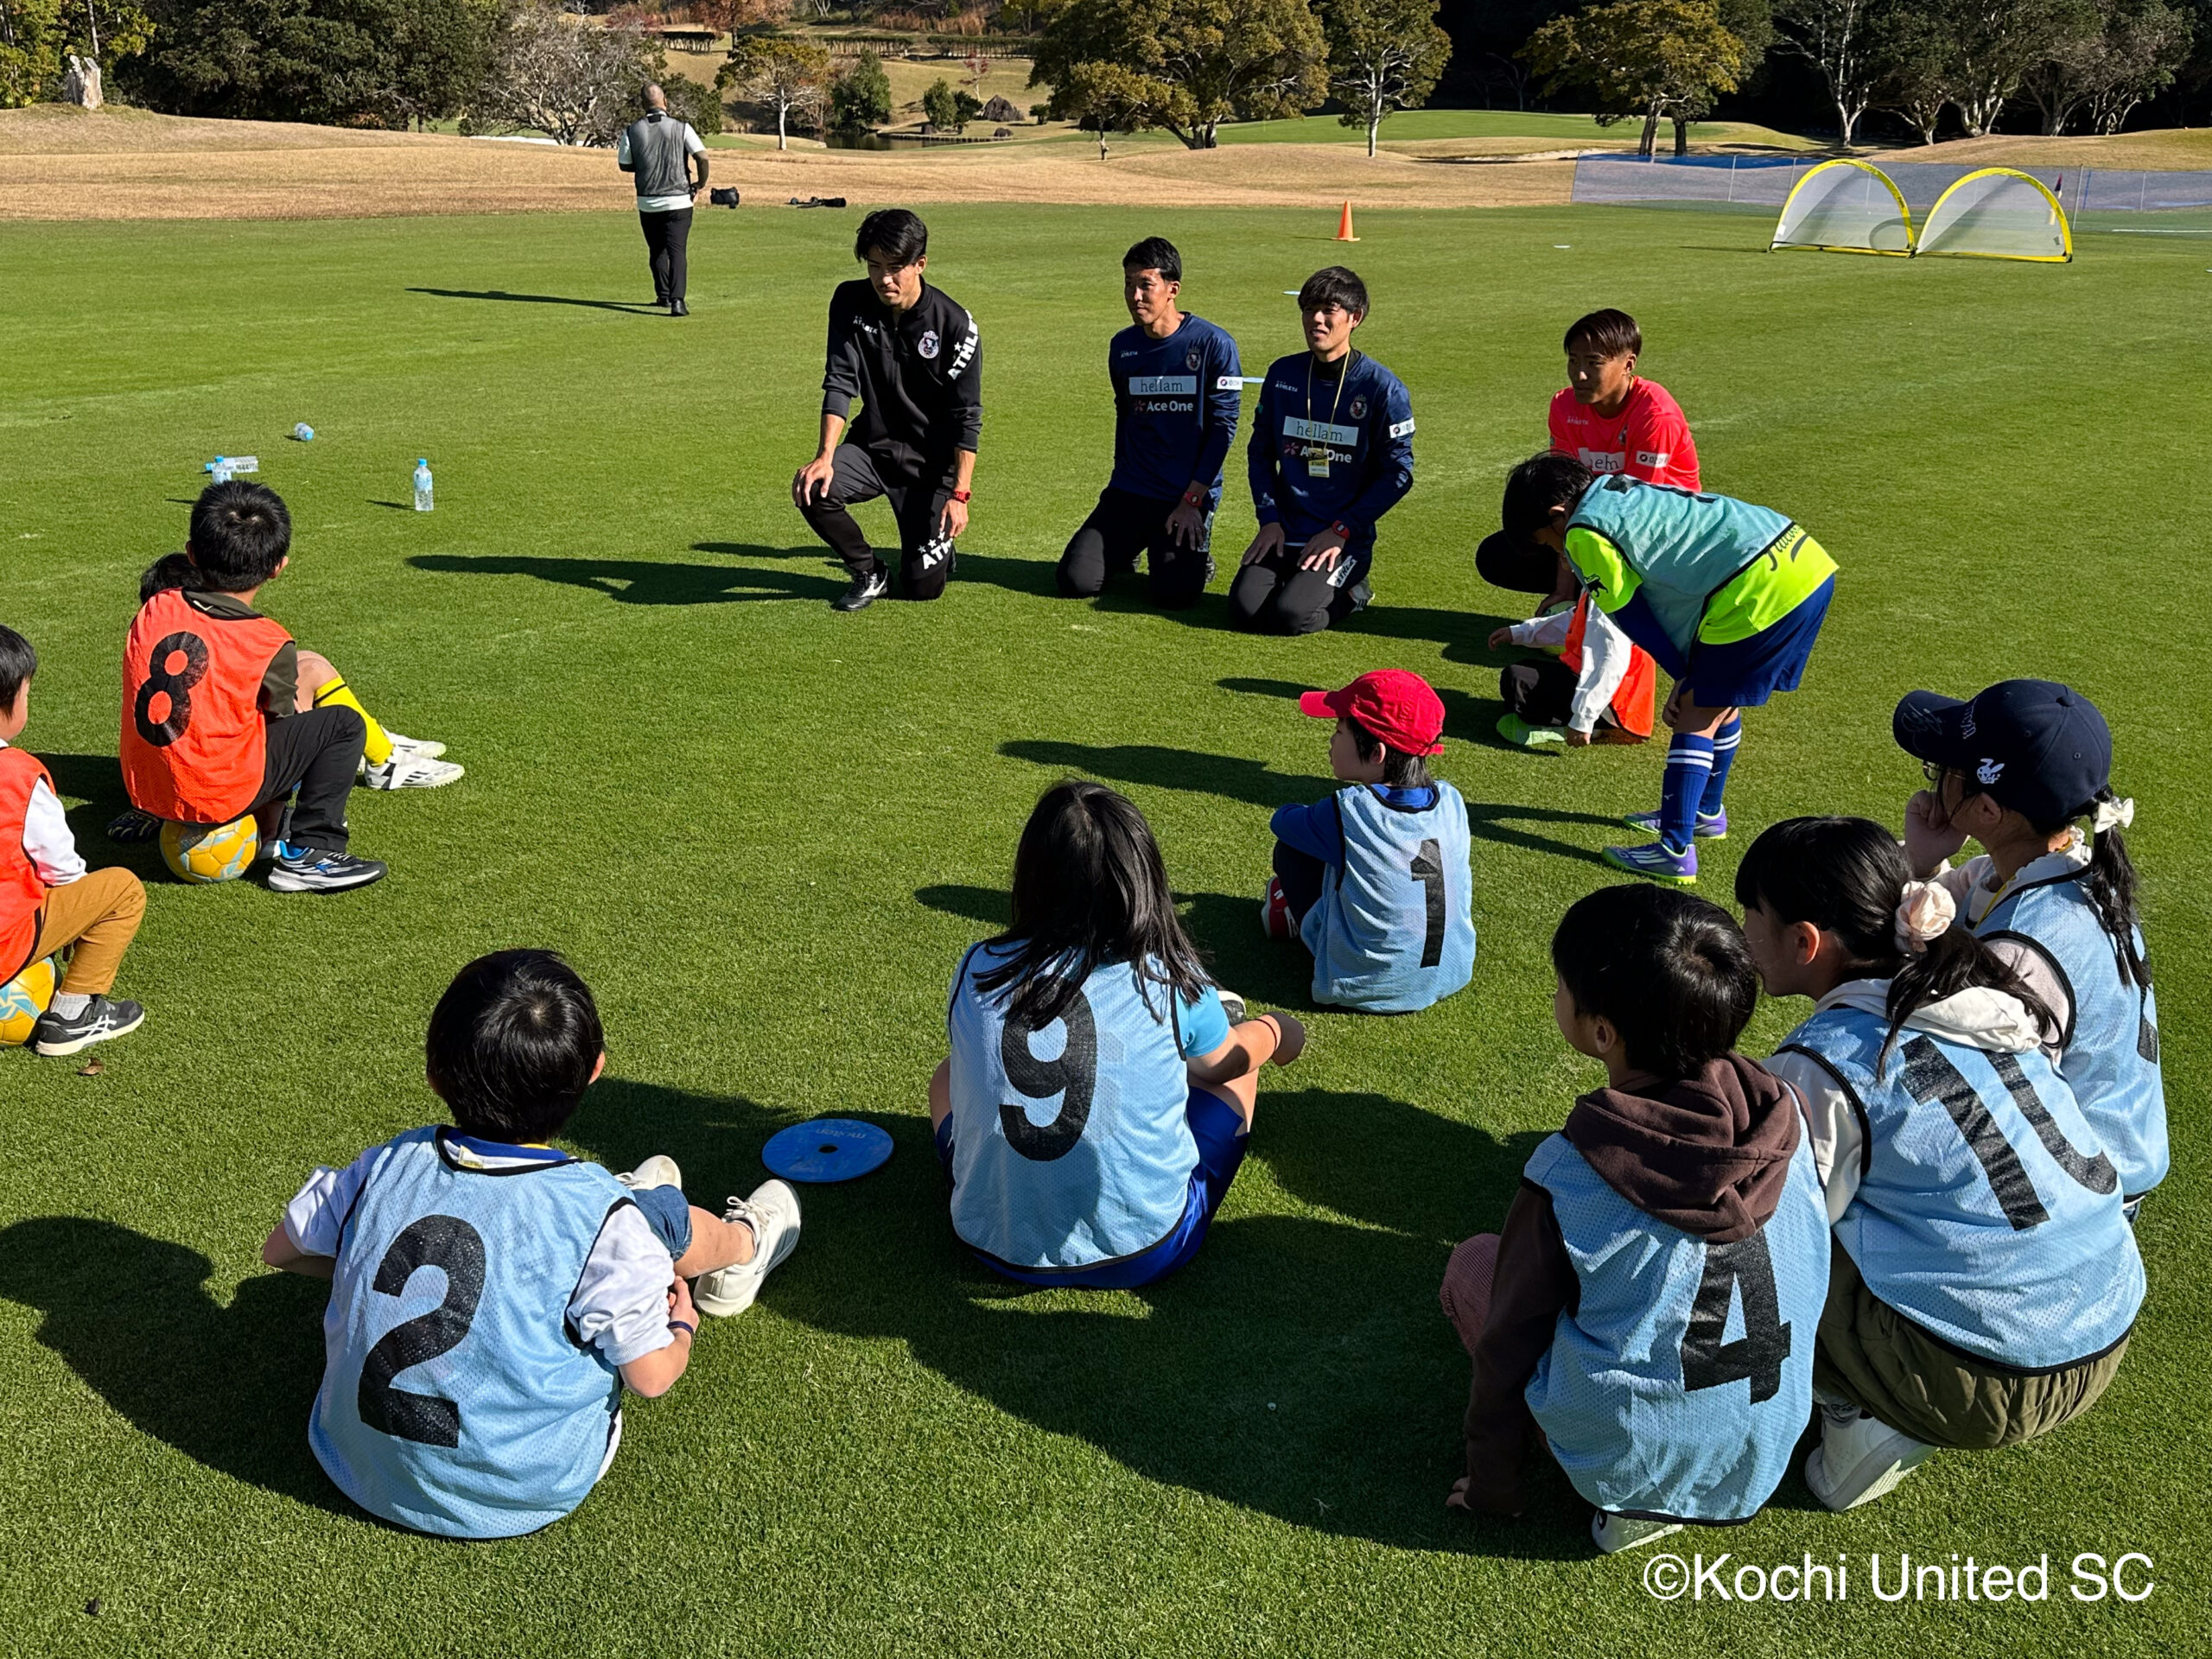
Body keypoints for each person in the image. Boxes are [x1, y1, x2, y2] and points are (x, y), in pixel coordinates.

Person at [262, 949, 802, 1539]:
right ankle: (743, 1249)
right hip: (522, 1493)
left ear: (433, 1074)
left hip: (353, 1463)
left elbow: (282, 1251)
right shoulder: (597, 1216)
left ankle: (651, 1227)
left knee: (611, 1224)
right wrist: (683, 1325)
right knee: (656, 1220)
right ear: (595, 1070)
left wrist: (372, 1267)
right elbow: (651, 1377)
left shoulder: (386, 1164)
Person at [1737, 817, 2143, 1511]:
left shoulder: (1823, 1061)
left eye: (1751, 915)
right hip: (2107, 1324)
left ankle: (1861, 1414)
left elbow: (1779, 1233)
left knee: (1759, 1244)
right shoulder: (1984, 995)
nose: (1742, 933)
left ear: (1805, 942)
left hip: (1989, 1377)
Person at [1442, 884, 1827, 1554]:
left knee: (1473, 1264)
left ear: (1603, 1032)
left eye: (1562, 986)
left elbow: (1509, 1346)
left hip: (1628, 1457)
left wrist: (1491, 1483)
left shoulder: (1570, 1171)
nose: (1555, 994)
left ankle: (1624, 1493)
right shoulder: (1787, 1118)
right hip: (1765, 1449)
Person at [930, 780, 1305, 1289]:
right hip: (1145, 1250)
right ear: (1142, 878)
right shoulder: (1167, 978)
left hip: (990, 1241)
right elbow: (1227, 1063)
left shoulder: (979, 965)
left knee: (946, 1075)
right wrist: (1276, 1031)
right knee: (1237, 1068)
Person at [1891, 681, 2166, 1216]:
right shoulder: (2060, 871)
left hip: (2076, 1192)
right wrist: (1920, 863)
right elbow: (1948, 903)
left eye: (1943, 769)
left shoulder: (2023, 947)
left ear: (1987, 811)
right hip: (2101, 1158)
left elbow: (1967, 1081)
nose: (1936, 778)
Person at [1496, 455, 1837, 885]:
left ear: (1557, 515)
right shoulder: (1615, 488)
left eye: (1545, 540)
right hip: (1803, 561)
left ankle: (1674, 850)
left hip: (1756, 586)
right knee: (1719, 701)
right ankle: (1705, 811)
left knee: (1695, 711)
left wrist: (1682, 674)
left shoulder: (1583, 533)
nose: (1554, 551)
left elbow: (1630, 616)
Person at [119, 484, 461, 893]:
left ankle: (362, 773)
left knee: (295, 680)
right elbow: (278, 726)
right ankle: (311, 852)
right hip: (212, 795)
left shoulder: (155, 608)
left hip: (146, 789)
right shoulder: (267, 640)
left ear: (191, 554)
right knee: (340, 726)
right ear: (278, 567)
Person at [793, 207, 982, 613]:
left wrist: (959, 494)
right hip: (872, 449)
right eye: (874, 266)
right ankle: (869, 571)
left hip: (930, 469)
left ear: (920, 264)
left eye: (895, 268)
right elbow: (840, 380)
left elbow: (966, 416)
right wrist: (824, 456)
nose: (883, 279)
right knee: (812, 487)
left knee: (921, 587)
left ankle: (937, 548)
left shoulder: (956, 326)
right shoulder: (850, 301)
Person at [1261, 670, 1475, 1014]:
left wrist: (1312, 816)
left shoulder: (1349, 809)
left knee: (1292, 851)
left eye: (1339, 730)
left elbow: (1281, 822)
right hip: (1452, 972)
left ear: (1377, 753)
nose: (1332, 740)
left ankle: (1294, 915)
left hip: (1361, 984)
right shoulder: (1451, 800)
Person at [1056, 237, 1242, 610]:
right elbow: (1125, 416)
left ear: (1172, 290)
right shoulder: (1122, 347)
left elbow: (1223, 430)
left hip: (1186, 495)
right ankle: (1130, 547)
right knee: (1075, 580)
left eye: (1145, 285)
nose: (1135, 296)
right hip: (1132, 489)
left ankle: (1195, 555)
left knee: (1174, 595)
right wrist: (1118, 481)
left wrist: (1193, 499)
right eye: (1129, 284)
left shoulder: (1215, 345)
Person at [1232, 267, 1414, 636]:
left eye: (1329, 310)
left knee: (1291, 617)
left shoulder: (1382, 388)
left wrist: (1343, 529)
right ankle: (1300, 581)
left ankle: (1354, 593)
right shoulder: (1283, 375)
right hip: (1284, 531)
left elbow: (1399, 473)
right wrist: (1268, 519)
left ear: (1354, 318)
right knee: (1243, 610)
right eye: (1309, 309)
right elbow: (1260, 452)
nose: (1316, 319)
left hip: (1342, 540)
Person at [1477, 308, 1700, 605]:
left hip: (1662, 536)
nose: (1579, 374)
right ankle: (1584, 596)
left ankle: (1624, 603)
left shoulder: (1655, 415)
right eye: (1573, 360)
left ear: (1628, 364)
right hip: (1596, 525)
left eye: (1593, 363)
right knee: (1499, 554)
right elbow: (1563, 496)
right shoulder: (1564, 405)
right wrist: (1563, 588)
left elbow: (1638, 513)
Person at [0, 625, 147, 1057]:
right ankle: (72, 1015)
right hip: (5, 939)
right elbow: (62, 867)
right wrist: (75, 919)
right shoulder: (18, 775)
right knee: (121, 890)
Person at [1486, 592, 1654, 749]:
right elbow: (1571, 621)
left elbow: (1609, 665)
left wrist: (1583, 721)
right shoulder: (1603, 589)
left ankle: (1581, 727)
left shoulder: (1606, 601)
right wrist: (1518, 633)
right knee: (1524, 671)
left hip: (1614, 704)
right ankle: (1588, 721)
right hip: (1612, 696)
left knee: (1517, 680)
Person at [616, 85, 707, 315]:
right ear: (665, 101)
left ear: (642, 104)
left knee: (657, 250)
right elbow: (702, 157)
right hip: (679, 201)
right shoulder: (682, 127)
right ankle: (678, 302)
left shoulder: (631, 131)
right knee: (677, 251)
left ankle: (664, 296)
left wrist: (646, 165)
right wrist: (700, 184)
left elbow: (624, 164)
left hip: (648, 202)